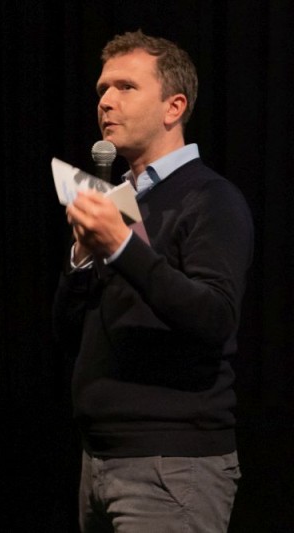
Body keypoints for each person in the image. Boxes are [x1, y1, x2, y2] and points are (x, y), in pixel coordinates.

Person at [53, 30, 254, 532]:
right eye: (102, 89)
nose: (105, 101)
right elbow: (69, 335)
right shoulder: (119, 199)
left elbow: (214, 317)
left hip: (172, 464)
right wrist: (81, 258)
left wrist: (122, 248)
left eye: (125, 87)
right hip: (98, 459)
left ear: (173, 107)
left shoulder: (211, 198)